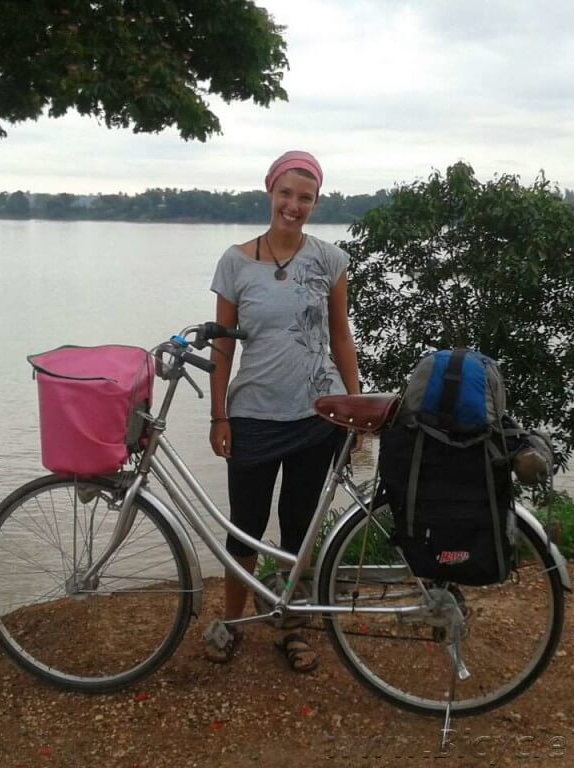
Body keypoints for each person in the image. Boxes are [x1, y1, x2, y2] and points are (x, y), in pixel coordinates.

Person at [205, 150, 361, 672]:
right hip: (251, 414)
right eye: (286, 194)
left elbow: (341, 337)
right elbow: (223, 344)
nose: (294, 206)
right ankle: (232, 620)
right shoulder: (235, 261)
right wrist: (219, 415)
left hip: (317, 416)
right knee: (244, 526)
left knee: (299, 529)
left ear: (316, 203)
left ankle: (292, 627)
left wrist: (355, 406)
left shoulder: (330, 261)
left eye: (306, 198)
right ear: (270, 192)